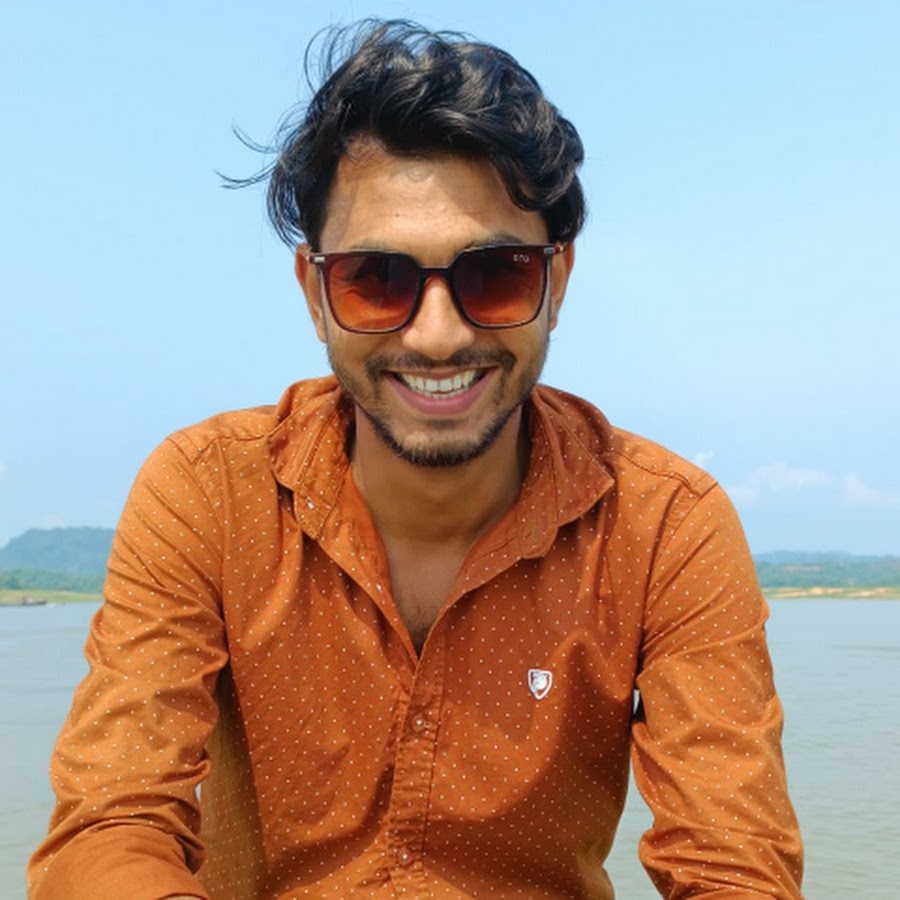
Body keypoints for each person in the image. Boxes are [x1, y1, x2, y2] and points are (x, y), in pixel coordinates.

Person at [28, 19, 804, 900]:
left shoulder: (662, 528)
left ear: (557, 284)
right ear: (315, 294)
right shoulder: (209, 494)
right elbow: (111, 823)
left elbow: (733, 867)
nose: (438, 335)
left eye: (497, 274)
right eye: (377, 280)